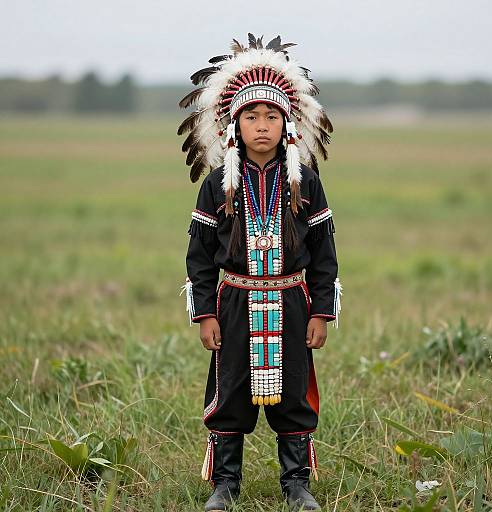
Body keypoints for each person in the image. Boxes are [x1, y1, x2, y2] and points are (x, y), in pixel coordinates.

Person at [179, 33, 342, 512]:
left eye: (272, 116)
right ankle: (225, 483)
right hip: (234, 304)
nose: (262, 125)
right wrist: (205, 313)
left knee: (292, 390)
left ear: (287, 123)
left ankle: (296, 483)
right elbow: (200, 257)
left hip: (292, 301)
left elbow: (325, 253)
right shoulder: (217, 185)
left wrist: (321, 313)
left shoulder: (305, 182)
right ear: (234, 125)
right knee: (230, 389)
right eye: (251, 116)